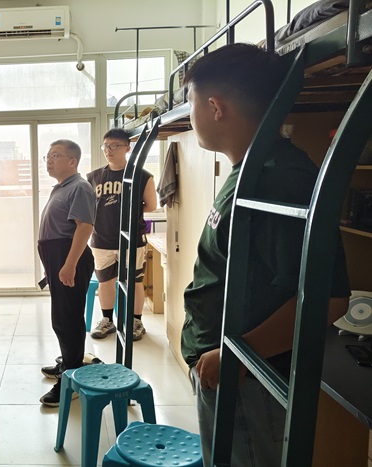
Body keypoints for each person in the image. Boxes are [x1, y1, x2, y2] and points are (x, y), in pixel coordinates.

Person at [181, 43, 350, 466]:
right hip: (227, 369)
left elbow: (328, 299)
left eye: (192, 102)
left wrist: (238, 355)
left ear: (215, 107)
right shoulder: (253, 170)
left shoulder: (280, 181)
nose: (190, 113)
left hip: (247, 375)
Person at [37, 139, 96, 406]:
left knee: (68, 319)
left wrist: (69, 264)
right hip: (58, 258)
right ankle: (69, 363)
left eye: (55, 155)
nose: (49, 160)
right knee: (61, 318)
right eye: (48, 156)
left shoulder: (80, 187)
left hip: (69, 258)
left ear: (72, 161)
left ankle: (71, 379)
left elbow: (84, 227)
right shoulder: (62, 187)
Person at [86, 128, 157, 341]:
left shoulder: (142, 176)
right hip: (101, 238)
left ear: (127, 148)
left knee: (134, 281)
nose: (109, 150)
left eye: (114, 146)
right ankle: (107, 320)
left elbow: (151, 205)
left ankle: (136, 322)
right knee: (105, 281)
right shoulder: (94, 177)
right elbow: (89, 206)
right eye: (106, 146)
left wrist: (129, 212)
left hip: (132, 239)